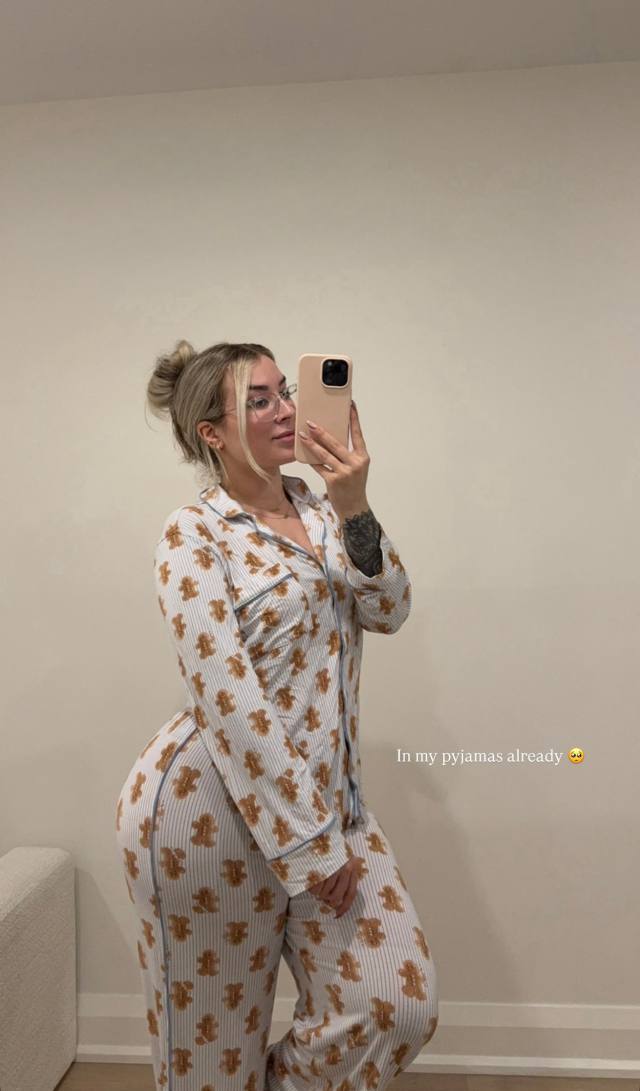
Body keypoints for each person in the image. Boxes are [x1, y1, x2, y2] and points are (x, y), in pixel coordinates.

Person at [115, 340, 438, 1091]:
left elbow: (390, 609)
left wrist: (354, 503)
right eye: (259, 400)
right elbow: (229, 700)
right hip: (208, 814)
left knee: (396, 1005)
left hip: (330, 801)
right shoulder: (193, 534)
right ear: (212, 433)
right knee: (211, 1062)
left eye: (284, 391)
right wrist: (309, 844)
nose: (287, 409)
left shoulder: (323, 512)